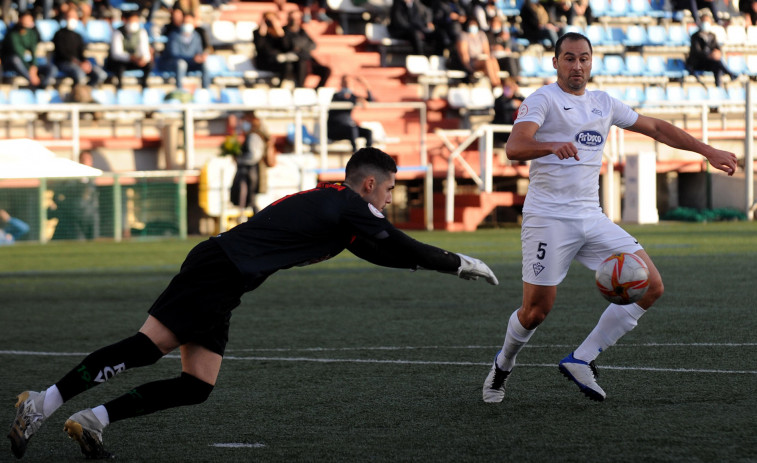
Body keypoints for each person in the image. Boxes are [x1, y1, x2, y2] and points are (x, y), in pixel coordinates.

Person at [8, 147, 499, 460]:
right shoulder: (351, 205)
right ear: (369, 184)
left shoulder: (339, 211)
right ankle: (43, 402)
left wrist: (432, 264)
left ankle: (94, 420)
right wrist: (455, 261)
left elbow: (381, 251)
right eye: (390, 188)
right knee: (146, 347)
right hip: (220, 269)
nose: (391, 198)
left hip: (223, 272)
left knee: (196, 385)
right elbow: (397, 242)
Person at [481, 32, 737, 404]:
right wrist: (550, 145)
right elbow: (514, 146)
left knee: (651, 286)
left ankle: (581, 358)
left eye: (584, 58)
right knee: (536, 311)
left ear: (591, 62)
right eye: (569, 58)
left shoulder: (603, 103)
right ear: (555, 63)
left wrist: (707, 150)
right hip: (548, 219)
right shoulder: (542, 100)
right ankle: (502, 366)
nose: (577, 66)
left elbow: (656, 128)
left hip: (591, 216)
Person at [47, 150, 100, 241]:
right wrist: (64, 206)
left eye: (88, 159)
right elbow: (58, 194)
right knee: (78, 241)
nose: (86, 162)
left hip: (90, 216)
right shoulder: (71, 178)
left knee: (93, 242)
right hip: (74, 218)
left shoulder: (93, 177)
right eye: (83, 159)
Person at [229, 111, 273, 217]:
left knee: (249, 199)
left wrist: (240, 159)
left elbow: (254, 156)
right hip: (252, 171)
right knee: (249, 200)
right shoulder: (255, 135)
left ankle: (256, 221)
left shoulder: (253, 136)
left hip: (251, 172)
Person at [50, 8, 107, 88]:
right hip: (64, 63)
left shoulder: (78, 36)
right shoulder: (59, 34)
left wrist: (85, 63)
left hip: (79, 63)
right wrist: (79, 63)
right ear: (65, 17)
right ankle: (77, 94)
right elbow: (62, 53)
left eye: (74, 17)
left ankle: (86, 92)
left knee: (100, 75)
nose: (71, 19)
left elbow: (81, 53)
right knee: (80, 74)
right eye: (69, 17)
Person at [685, 9, 738, 88]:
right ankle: (729, 73)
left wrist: (717, 53)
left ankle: (718, 86)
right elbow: (696, 52)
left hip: (709, 62)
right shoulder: (695, 36)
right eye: (704, 21)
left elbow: (717, 48)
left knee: (717, 64)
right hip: (698, 62)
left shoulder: (712, 36)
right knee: (716, 62)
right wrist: (709, 55)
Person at [0, 10, 52, 89]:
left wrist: (34, 66)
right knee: (15, 60)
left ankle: (42, 85)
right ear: (20, 20)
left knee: (51, 68)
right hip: (11, 63)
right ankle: (33, 82)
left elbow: (33, 51)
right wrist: (31, 72)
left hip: (27, 64)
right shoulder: (12, 34)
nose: (28, 22)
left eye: (29, 20)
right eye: (26, 20)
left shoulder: (31, 33)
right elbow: (19, 53)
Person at [104, 10, 153, 89]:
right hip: (122, 61)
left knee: (149, 64)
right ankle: (120, 86)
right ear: (125, 20)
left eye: (136, 20)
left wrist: (143, 59)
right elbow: (116, 53)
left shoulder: (141, 32)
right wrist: (131, 57)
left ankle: (144, 84)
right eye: (132, 20)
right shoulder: (118, 32)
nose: (134, 23)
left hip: (135, 61)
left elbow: (145, 50)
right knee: (119, 66)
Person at [284, 9, 331, 89]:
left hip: (307, 58)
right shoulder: (284, 31)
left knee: (326, 70)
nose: (294, 21)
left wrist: (300, 46)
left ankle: (317, 90)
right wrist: (302, 45)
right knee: (302, 64)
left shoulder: (302, 31)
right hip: (294, 61)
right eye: (293, 18)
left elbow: (313, 45)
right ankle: (300, 88)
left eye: (297, 18)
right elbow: (290, 45)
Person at [450, 17, 502, 87]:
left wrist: (485, 56)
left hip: (482, 59)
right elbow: (463, 54)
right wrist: (469, 68)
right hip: (471, 62)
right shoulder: (463, 35)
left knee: (492, 60)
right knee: (487, 62)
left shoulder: (481, 34)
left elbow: (486, 51)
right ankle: (495, 85)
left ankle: (498, 83)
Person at [164, 11, 210, 90]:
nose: (187, 25)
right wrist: (192, 58)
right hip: (175, 63)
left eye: (190, 22)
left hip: (192, 63)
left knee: (205, 64)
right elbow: (174, 53)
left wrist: (201, 57)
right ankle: (180, 89)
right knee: (181, 64)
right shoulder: (174, 35)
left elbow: (199, 51)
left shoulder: (196, 36)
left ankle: (206, 90)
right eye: (186, 22)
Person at [327, 75, 374, 152]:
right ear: (341, 83)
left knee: (368, 132)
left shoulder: (353, 96)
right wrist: (358, 100)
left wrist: (366, 85)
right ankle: (356, 154)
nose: (348, 84)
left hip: (348, 129)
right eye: (345, 82)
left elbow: (370, 100)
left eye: (350, 82)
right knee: (352, 128)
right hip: (335, 130)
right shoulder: (336, 96)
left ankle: (368, 156)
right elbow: (344, 100)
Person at [253, 11, 291, 86]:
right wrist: (262, 32)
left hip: (277, 59)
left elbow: (286, 47)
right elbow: (259, 47)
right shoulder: (257, 33)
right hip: (264, 61)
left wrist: (277, 28)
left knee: (288, 65)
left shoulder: (280, 33)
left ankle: (280, 85)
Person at [491, 76, 524, 146]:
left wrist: (518, 92)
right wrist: (512, 104)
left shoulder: (519, 98)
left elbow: (527, 103)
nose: (510, 89)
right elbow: (502, 107)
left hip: (516, 131)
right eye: (507, 87)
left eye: (511, 86)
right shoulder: (499, 100)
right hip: (502, 132)